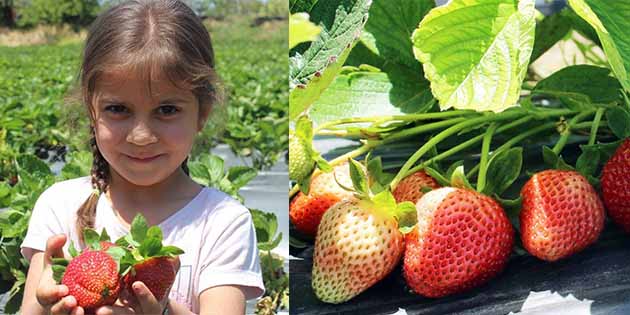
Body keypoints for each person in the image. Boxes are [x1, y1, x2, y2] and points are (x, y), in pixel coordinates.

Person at [18, 1, 264, 314]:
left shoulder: (223, 222)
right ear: (91, 111)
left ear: (202, 113)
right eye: (118, 109)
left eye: (167, 110)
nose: (141, 136)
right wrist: (48, 303)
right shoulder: (59, 207)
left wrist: (162, 310)